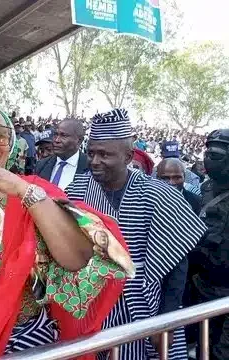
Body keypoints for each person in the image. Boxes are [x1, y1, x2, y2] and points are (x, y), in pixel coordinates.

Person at [0, 103, 136, 360]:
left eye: (0, 135)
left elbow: (76, 260)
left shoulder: (32, 194)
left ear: (11, 145)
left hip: (18, 348)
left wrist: (22, 190)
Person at [65, 108, 206, 360]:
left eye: (105, 154)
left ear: (128, 156)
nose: (95, 161)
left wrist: (167, 319)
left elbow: (177, 262)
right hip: (94, 303)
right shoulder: (77, 190)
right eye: (91, 153)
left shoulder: (159, 193)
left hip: (150, 302)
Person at [189, 129, 229, 360]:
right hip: (203, 286)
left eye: (216, 155)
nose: (207, 160)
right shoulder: (206, 189)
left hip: (226, 292)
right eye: (207, 153)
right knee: (204, 348)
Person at [36, 119, 88, 190]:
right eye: (56, 134)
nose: (57, 140)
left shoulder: (90, 167)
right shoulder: (41, 165)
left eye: (63, 135)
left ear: (79, 141)